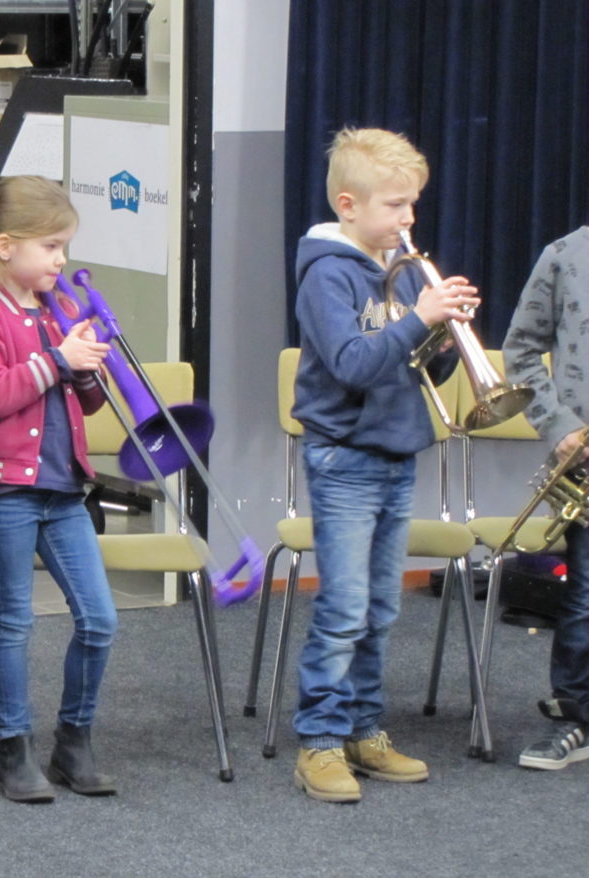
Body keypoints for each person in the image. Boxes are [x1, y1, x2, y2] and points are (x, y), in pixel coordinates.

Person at [289, 127, 479, 802]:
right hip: (344, 457)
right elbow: (353, 364)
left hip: (397, 453)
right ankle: (318, 741)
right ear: (348, 204)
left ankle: (364, 731)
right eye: (396, 204)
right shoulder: (327, 273)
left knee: (380, 609)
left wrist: (445, 337)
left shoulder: (401, 271)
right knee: (343, 608)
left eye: (413, 203)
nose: (408, 217)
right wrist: (416, 319)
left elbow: (417, 370)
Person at [0, 175, 119, 803]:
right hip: (3, 490)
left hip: (63, 487)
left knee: (99, 619)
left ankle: (73, 740)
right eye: (50, 246)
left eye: (63, 246)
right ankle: (13, 748)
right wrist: (58, 360)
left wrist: (89, 367)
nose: (61, 260)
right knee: (15, 620)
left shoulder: (58, 311)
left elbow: (88, 403)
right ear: (6, 246)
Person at [502, 225, 589, 770]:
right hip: (585, 459)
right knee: (585, 598)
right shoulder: (564, 256)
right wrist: (559, 427)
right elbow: (521, 350)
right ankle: (577, 716)